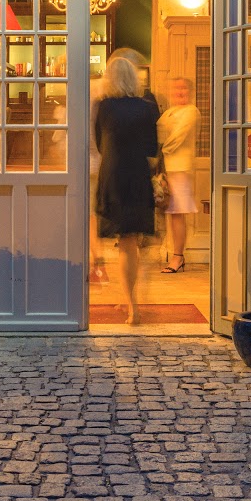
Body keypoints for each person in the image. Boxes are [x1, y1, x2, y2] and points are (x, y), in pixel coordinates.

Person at [93, 53, 160, 323]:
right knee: (131, 242)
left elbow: (100, 144)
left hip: (113, 175)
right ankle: (130, 300)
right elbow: (151, 148)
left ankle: (131, 303)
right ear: (134, 78)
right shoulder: (147, 108)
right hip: (137, 175)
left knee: (125, 244)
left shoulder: (104, 107)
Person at [156, 76, 200, 273]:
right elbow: (157, 130)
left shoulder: (191, 111)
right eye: (175, 89)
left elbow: (176, 138)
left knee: (177, 214)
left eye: (183, 88)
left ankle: (178, 257)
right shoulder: (170, 112)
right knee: (171, 214)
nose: (179, 92)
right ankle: (175, 253)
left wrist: (161, 149)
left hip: (180, 169)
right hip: (168, 169)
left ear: (190, 91)